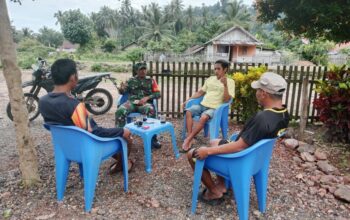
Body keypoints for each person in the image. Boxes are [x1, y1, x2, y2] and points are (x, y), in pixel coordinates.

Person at [187, 72, 289, 205]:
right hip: (257, 157)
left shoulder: (263, 118)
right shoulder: (283, 113)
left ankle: (214, 192)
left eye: (258, 89)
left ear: (264, 93)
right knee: (214, 142)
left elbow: (239, 146)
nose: (256, 92)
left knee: (192, 154)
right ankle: (222, 184)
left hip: (240, 159)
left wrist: (207, 151)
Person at [39, 58, 133, 174]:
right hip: (85, 147)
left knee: (113, 134)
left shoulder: (43, 101)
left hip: (65, 147)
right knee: (126, 135)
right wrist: (122, 130)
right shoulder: (74, 105)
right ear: (73, 77)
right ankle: (122, 164)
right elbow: (95, 133)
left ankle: (123, 162)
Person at [181, 59, 235, 152]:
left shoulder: (230, 82)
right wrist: (187, 100)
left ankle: (188, 139)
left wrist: (225, 85)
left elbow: (227, 100)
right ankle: (190, 137)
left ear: (225, 69)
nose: (216, 71)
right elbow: (200, 92)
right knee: (188, 111)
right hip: (203, 105)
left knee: (203, 117)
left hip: (215, 108)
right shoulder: (210, 79)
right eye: (215, 69)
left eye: (218, 69)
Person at [115, 62, 162, 149]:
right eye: (141, 69)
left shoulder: (151, 81)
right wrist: (121, 89)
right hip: (132, 103)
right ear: (137, 70)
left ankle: (153, 139)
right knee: (120, 111)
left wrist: (147, 97)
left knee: (151, 110)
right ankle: (120, 137)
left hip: (144, 104)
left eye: (144, 69)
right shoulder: (130, 80)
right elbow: (123, 92)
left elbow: (158, 94)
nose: (143, 71)